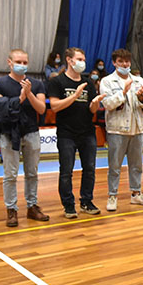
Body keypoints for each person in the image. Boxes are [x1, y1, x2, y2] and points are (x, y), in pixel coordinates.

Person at [0, 49, 49, 227]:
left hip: (31, 132)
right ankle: (11, 209)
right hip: (8, 133)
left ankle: (32, 206)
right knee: (10, 174)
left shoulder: (36, 84)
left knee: (32, 173)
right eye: (18, 62)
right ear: (9, 62)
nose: (22, 65)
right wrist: (20, 98)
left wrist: (28, 93)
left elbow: (41, 109)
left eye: (25, 62)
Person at [47, 47, 103, 219]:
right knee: (66, 171)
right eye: (79, 59)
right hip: (67, 133)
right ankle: (68, 205)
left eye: (83, 60)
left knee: (90, 169)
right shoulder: (57, 81)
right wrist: (75, 95)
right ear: (69, 60)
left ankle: (86, 201)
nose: (82, 63)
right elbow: (55, 106)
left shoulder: (88, 83)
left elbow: (92, 109)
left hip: (87, 132)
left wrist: (96, 103)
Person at [100, 48, 143, 211]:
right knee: (114, 166)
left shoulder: (139, 80)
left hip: (136, 129)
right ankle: (112, 196)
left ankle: (136, 194)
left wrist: (141, 96)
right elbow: (108, 104)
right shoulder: (107, 81)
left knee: (136, 165)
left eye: (127, 61)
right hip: (117, 130)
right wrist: (123, 92)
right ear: (114, 63)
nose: (125, 64)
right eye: (121, 61)